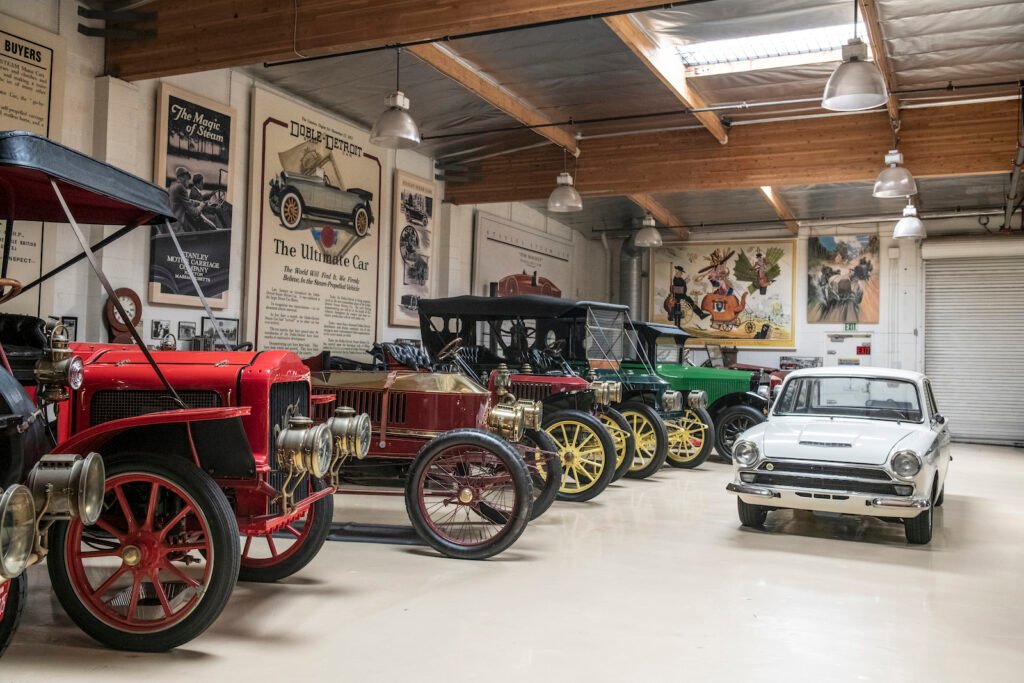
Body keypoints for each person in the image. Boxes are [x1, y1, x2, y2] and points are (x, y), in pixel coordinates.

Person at [167, 166, 205, 232]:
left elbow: (186, 200)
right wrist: (201, 206)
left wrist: (197, 202)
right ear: (184, 177)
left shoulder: (172, 186)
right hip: (177, 227)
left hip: (170, 225)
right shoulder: (181, 188)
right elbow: (194, 212)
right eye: (188, 179)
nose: (188, 182)